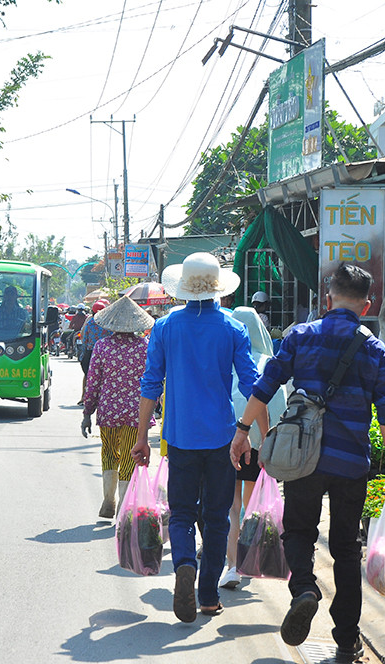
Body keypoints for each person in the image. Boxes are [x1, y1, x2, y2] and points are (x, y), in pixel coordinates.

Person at [231, 262, 385, 664]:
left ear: (326, 301)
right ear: (367, 306)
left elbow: (266, 384)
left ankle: (306, 590)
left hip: (302, 458)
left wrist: (243, 430)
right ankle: (347, 641)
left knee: (297, 533)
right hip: (350, 463)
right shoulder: (373, 349)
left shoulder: (300, 336)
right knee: (347, 549)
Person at [130, 252, 258, 622]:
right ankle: (207, 598)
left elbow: (150, 384)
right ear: (218, 288)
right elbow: (252, 386)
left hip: (180, 438)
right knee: (217, 519)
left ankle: (185, 563)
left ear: (183, 288)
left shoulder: (166, 327)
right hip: (221, 439)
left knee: (182, 514)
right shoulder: (233, 328)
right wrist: (252, 431)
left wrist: (141, 437)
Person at [220, 306, 288, 590]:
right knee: (252, 505)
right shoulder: (270, 364)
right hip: (260, 444)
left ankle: (233, 567)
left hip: (229, 442)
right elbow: (279, 408)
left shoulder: (226, 362)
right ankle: (252, 558)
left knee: (232, 507)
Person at [80, 297, 155, 520]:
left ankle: (108, 501)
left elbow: (92, 382)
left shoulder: (102, 346)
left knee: (109, 454)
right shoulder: (144, 347)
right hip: (136, 414)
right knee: (129, 457)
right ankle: (124, 504)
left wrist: (87, 413)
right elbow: (152, 382)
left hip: (108, 412)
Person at [78, 299, 111, 403]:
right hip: (106, 353)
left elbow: (84, 338)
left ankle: (84, 397)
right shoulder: (108, 323)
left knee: (88, 376)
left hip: (90, 353)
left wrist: (83, 355)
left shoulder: (90, 322)